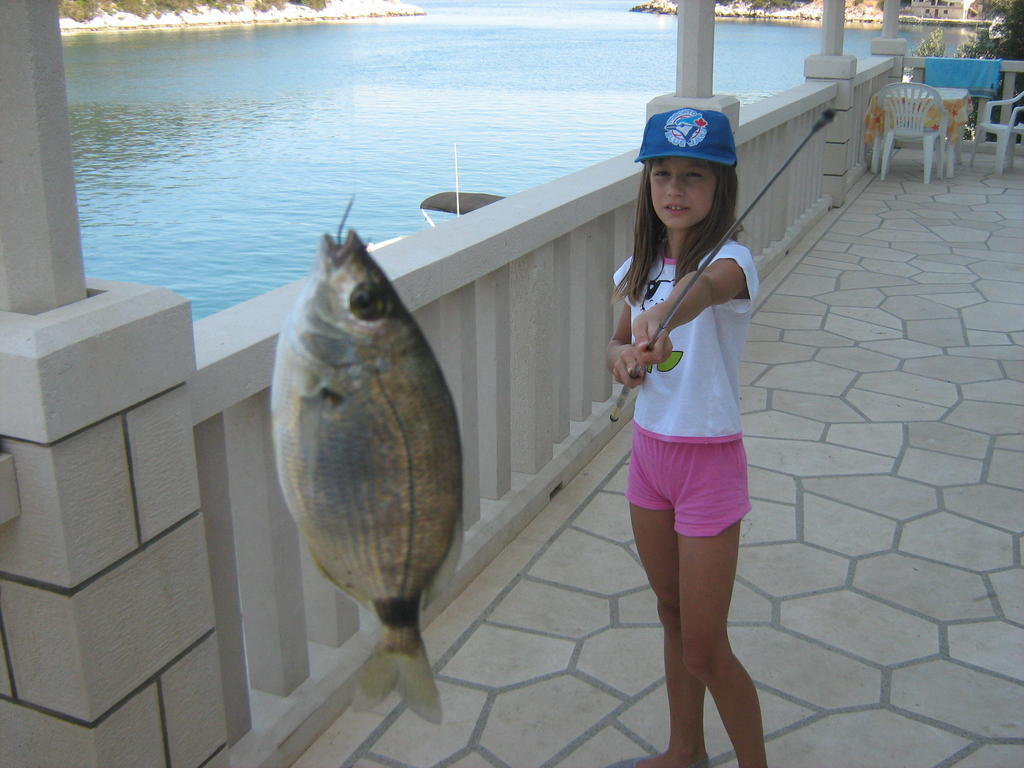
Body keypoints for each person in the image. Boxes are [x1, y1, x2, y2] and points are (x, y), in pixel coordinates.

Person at [604, 108, 767, 768]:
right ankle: (684, 752)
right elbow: (617, 339)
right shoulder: (635, 267)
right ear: (648, 183)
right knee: (670, 615)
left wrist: (663, 316)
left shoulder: (733, 262)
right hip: (650, 461)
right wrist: (621, 355)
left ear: (719, 185)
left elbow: (701, 292)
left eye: (693, 177)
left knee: (706, 647)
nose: (675, 189)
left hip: (708, 467)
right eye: (662, 174)